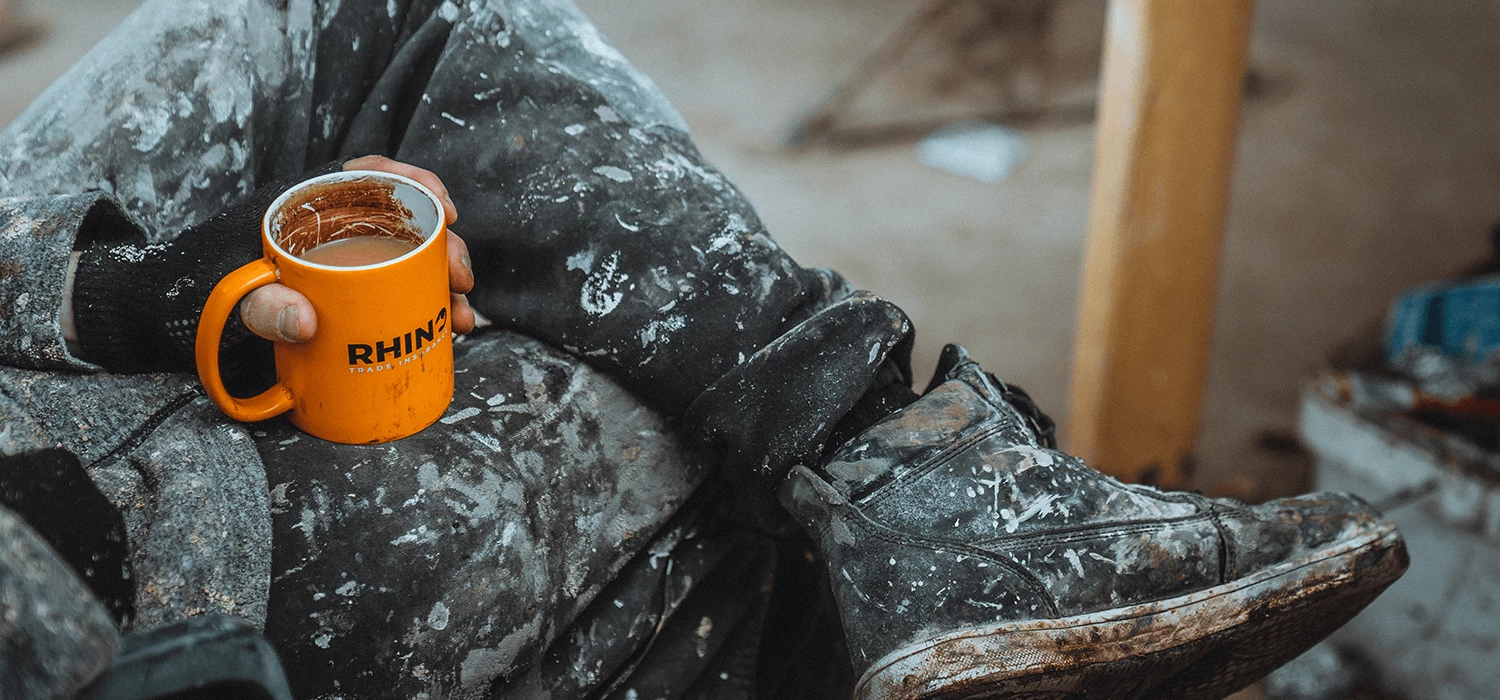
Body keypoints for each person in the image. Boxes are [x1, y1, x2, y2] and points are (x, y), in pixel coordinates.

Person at [0, 0, 1409, 698]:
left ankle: (909, 477)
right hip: (138, 599)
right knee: (660, 442)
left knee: (391, 21)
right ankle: (906, 533)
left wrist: (112, 292)